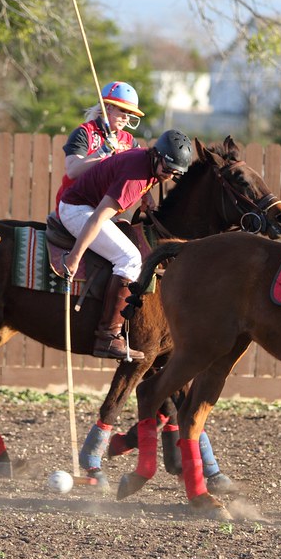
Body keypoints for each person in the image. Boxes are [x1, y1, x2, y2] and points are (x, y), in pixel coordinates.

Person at [60, 129, 193, 360]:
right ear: (156, 156)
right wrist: (74, 256)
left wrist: (146, 196)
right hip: (78, 211)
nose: (168, 176)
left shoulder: (147, 162)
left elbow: (144, 175)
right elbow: (97, 218)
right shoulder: (136, 177)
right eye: (167, 169)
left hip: (87, 207)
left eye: (174, 173)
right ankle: (108, 337)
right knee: (130, 258)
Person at [54, 81, 145, 209]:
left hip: (103, 207)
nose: (126, 118)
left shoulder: (129, 141)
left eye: (130, 113)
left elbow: (142, 169)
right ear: (108, 107)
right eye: (123, 110)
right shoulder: (84, 132)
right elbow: (72, 171)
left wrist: (147, 196)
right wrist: (102, 151)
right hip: (75, 204)